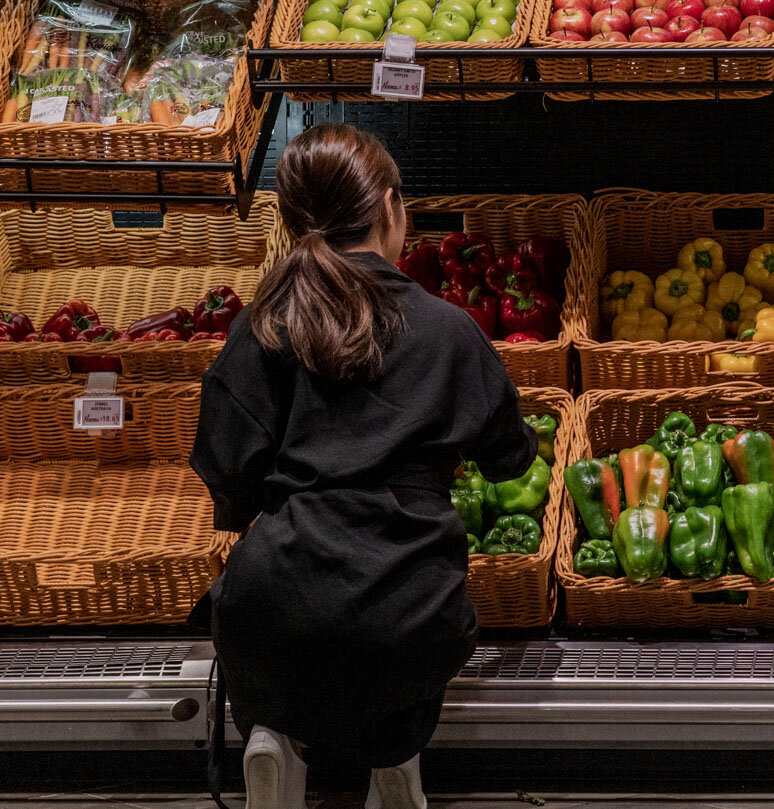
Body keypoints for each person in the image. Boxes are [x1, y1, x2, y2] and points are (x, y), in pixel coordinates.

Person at [191, 124, 537, 809]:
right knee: (402, 654)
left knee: (281, 655)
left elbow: (226, 473)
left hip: (273, 606)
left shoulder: (261, 325)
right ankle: (396, 759)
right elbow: (510, 458)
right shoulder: (447, 329)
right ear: (389, 205)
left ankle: (274, 739)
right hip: (406, 604)